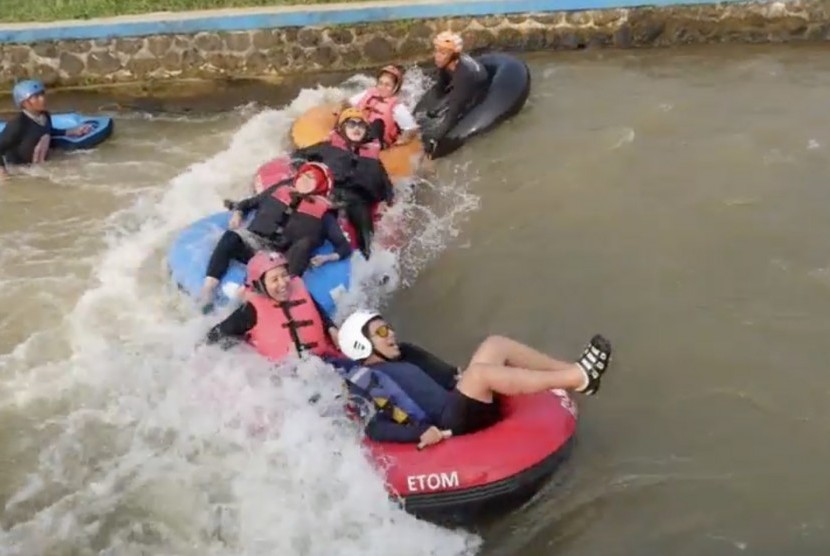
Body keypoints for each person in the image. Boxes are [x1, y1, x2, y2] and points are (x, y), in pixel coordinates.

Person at [332, 311, 612, 450]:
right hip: (448, 423)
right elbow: (375, 428)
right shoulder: (363, 382)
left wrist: (460, 377)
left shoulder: (405, 353)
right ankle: (577, 377)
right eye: (381, 331)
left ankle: (574, 373)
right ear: (361, 344)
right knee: (479, 374)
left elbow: (447, 374)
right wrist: (418, 433)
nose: (390, 333)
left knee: (495, 344)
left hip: (459, 402)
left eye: (388, 327)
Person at [198, 161, 352, 308]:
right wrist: (237, 213)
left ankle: (258, 294)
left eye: (311, 179)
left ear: (321, 185)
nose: (304, 180)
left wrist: (327, 258)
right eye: (303, 176)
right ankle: (208, 289)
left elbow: (344, 247)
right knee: (231, 236)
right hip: (256, 244)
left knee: (305, 243)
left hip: (282, 261)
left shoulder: (324, 215)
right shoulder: (280, 190)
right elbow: (249, 203)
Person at [292, 108, 395, 258]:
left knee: (365, 228)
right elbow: (298, 156)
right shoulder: (328, 148)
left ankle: (367, 256)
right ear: (342, 128)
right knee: (308, 216)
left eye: (361, 125)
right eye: (351, 124)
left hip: (357, 198)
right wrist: (303, 174)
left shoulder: (372, 157)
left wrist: (388, 199)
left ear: (366, 131)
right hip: (329, 191)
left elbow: (385, 182)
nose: (356, 128)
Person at [206, 250, 341, 360]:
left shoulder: (299, 289)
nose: (283, 283)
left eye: (284, 275)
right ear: (261, 286)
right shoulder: (250, 310)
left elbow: (316, 309)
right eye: (274, 280)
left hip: (324, 360)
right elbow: (215, 335)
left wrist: (331, 328)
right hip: (286, 377)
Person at [0, 80, 91, 180]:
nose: (42, 99)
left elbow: (46, 131)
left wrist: (71, 131)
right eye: (36, 97)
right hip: (18, 168)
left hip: (36, 165)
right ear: (24, 103)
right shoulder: (18, 124)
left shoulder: (45, 116)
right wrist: (2, 171)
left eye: (42, 94)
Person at [420, 32, 489, 157]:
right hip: (459, 83)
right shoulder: (446, 64)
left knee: (434, 131)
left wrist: (431, 139)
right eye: (436, 51)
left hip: (474, 92)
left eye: (442, 53)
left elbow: (453, 115)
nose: (437, 56)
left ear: (454, 56)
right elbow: (439, 88)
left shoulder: (464, 76)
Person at [341, 65, 419, 149]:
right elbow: (347, 103)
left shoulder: (397, 107)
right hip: (357, 130)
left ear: (395, 88)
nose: (382, 88)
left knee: (377, 124)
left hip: (377, 141)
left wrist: (401, 141)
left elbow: (411, 129)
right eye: (380, 83)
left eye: (387, 85)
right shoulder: (368, 93)